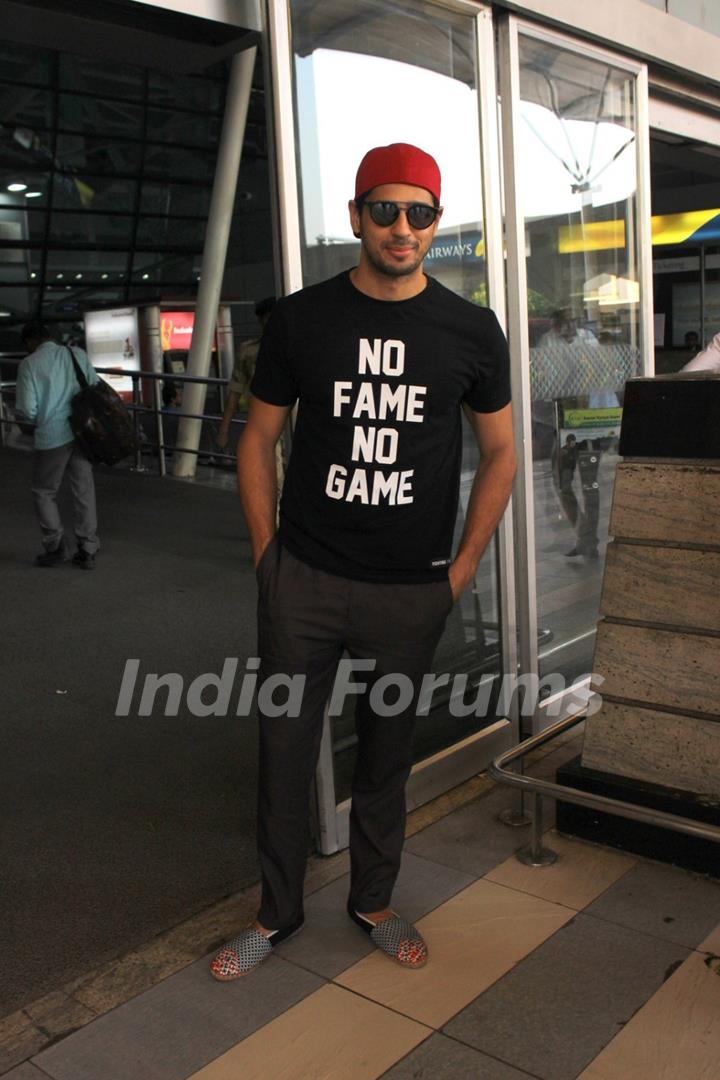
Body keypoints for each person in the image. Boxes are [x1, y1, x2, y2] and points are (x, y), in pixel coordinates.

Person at [210, 143, 515, 981]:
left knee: (386, 758)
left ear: (436, 226)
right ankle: (274, 917)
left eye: (419, 212)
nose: (402, 226)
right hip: (302, 582)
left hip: (409, 592)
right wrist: (268, 558)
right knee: (282, 755)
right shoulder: (303, 320)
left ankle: (374, 903)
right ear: (355, 217)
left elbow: (501, 453)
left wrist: (458, 572)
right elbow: (259, 440)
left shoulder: (469, 329)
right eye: (385, 209)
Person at [15, 322, 100, 569]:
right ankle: (87, 547)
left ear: (30, 342)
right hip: (82, 432)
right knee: (83, 488)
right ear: (49, 336)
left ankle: (55, 545)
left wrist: (31, 422)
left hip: (52, 435)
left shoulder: (29, 365)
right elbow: (94, 386)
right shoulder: (76, 354)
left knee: (44, 491)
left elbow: (28, 410)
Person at [216, 298, 283, 485]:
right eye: (266, 319)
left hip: (292, 419)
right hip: (262, 419)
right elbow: (235, 389)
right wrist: (224, 428)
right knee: (271, 475)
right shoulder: (248, 350)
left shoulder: (294, 345)